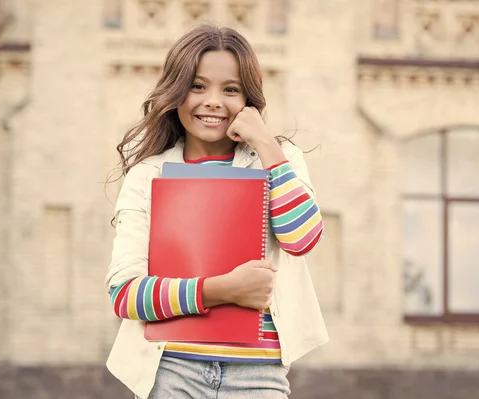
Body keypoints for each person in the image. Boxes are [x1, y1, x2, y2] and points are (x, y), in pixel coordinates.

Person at [105, 24, 329, 399]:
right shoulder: (148, 175)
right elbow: (125, 294)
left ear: (249, 100)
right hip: (169, 372)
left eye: (231, 89)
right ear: (176, 92)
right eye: (197, 86)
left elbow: (302, 238)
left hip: (259, 375)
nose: (212, 100)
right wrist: (223, 290)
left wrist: (264, 142)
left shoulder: (278, 160)